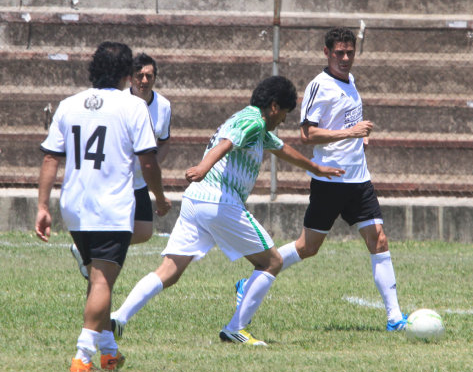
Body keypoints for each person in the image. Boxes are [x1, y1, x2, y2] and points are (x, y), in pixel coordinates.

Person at [109, 76, 344, 346]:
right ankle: (237, 327)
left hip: (195, 201)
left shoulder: (254, 124)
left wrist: (317, 169)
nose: (284, 121)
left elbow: (282, 149)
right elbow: (226, 144)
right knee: (272, 262)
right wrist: (202, 167)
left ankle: (120, 317)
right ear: (274, 107)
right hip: (219, 202)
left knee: (170, 270)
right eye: (285, 114)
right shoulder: (253, 120)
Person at [235, 27, 407, 332]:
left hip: (358, 178)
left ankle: (394, 317)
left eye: (349, 52)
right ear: (326, 53)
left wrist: (358, 139)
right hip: (330, 182)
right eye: (338, 52)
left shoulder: (351, 81)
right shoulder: (320, 85)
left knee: (378, 239)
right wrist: (350, 133)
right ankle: (249, 282)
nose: (344, 58)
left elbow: (345, 122)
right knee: (308, 247)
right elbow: (307, 134)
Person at [35, 41, 172, 372]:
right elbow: (148, 161)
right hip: (111, 205)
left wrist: (42, 206)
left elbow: (52, 156)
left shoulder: (69, 105)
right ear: (127, 73)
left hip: (75, 206)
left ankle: (109, 352)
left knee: (98, 278)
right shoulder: (132, 107)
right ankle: (83, 356)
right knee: (101, 283)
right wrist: (160, 197)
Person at [70, 52, 172, 279]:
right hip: (116, 178)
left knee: (144, 231)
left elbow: (164, 141)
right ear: (130, 78)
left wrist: (154, 161)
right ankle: (96, 256)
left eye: (149, 76)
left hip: (140, 180)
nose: (144, 81)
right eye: (139, 76)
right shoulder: (121, 103)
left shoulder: (164, 106)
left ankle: (85, 249)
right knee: (115, 234)